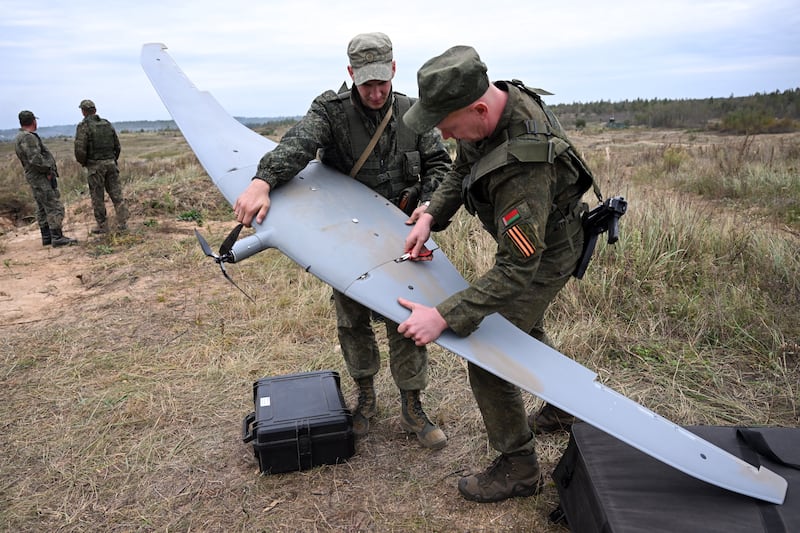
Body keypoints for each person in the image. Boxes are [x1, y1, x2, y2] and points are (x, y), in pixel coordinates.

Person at [233, 32, 452, 450]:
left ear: (393, 70)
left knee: (406, 321)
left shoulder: (413, 114)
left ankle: (412, 406)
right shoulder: (330, 111)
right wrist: (262, 181)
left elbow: (441, 165)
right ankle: (365, 400)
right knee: (352, 321)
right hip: (346, 239)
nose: (375, 92)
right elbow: (299, 144)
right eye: (366, 83)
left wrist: (428, 205)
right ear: (351, 74)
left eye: (382, 82)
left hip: (404, 235)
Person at [398, 46, 597, 502]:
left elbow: (517, 268)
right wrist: (431, 215)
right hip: (533, 243)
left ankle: (519, 468)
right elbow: (464, 165)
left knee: (489, 352)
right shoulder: (487, 110)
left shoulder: (524, 169)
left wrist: (444, 316)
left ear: (480, 109)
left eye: (447, 127)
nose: (446, 137)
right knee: (521, 331)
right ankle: (568, 407)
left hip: (544, 255)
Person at [14, 110, 78, 247]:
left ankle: (47, 237)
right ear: (33, 121)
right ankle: (57, 237)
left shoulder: (20, 137)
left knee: (42, 207)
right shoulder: (28, 137)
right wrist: (48, 169)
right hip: (40, 177)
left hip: (34, 177)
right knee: (54, 206)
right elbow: (35, 159)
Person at [74, 99, 128, 233]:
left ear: (83, 112)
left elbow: (80, 150)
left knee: (97, 197)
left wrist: (85, 163)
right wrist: (112, 159)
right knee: (117, 195)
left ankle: (103, 226)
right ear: (95, 110)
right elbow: (117, 146)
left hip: (95, 166)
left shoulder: (83, 126)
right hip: (111, 164)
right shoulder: (107, 124)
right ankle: (122, 223)